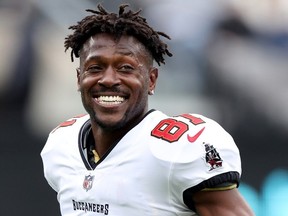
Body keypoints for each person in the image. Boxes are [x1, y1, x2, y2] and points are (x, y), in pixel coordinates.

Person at [41, 4, 254, 216]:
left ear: (151, 80)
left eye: (125, 68)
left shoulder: (178, 149)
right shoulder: (61, 145)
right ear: (79, 78)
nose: (108, 79)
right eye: (95, 67)